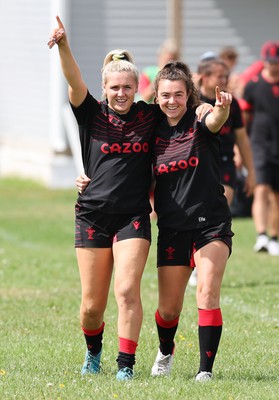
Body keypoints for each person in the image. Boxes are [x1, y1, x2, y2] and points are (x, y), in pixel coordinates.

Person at [48, 17, 210, 381]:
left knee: (126, 290)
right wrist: (63, 46)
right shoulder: (89, 112)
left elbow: (179, 107)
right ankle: (93, 352)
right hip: (91, 215)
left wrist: (202, 107)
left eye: (127, 86)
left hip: (133, 217)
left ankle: (126, 365)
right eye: (114, 86)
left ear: (139, 87)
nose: (121, 92)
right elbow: (73, 79)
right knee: (92, 306)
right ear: (104, 87)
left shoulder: (148, 116)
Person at [149, 61, 234, 382]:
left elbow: (216, 121)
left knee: (207, 294)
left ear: (189, 95)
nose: (172, 101)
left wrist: (222, 108)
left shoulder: (200, 120)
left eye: (179, 95)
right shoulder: (152, 131)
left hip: (211, 224)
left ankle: (205, 371)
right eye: (166, 95)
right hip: (172, 228)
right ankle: (165, 352)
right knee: (169, 310)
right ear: (156, 97)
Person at [197, 58, 255, 207]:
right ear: (205, 77)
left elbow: (242, 138)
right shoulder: (192, 100)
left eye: (226, 76)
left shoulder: (232, 103)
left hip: (224, 161)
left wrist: (251, 172)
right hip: (197, 162)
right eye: (219, 76)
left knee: (221, 204)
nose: (224, 80)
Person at [240, 41, 279, 256]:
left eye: (277, 63)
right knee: (261, 188)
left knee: (277, 195)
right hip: (260, 143)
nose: (274, 66)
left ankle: (274, 237)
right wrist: (241, 149)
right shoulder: (254, 86)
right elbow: (244, 120)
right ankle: (261, 235)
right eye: (270, 62)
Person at [137, 39, 179, 103]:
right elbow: (144, 97)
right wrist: (158, 81)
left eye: (172, 60)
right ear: (160, 57)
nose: (169, 63)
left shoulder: (179, 74)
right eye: (167, 59)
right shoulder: (148, 73)